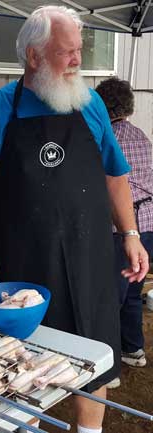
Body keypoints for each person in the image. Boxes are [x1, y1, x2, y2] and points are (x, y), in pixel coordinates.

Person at [0, 6, 149, 433]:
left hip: (90, 259)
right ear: (34, 56)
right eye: (67, 52)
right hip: (22, 266)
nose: (78, 62)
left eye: (79, 51)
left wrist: (130, 233)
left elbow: (116, 175)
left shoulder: (90, 104)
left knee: (94, 356)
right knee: (19, 363)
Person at [96, 77, 153, 388]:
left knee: (109, 297)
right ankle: (133, 349)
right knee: (132, 292)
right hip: (149, 229)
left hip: (123, 231)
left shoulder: (103, 138)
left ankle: (110, 368)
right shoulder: (141, 135)